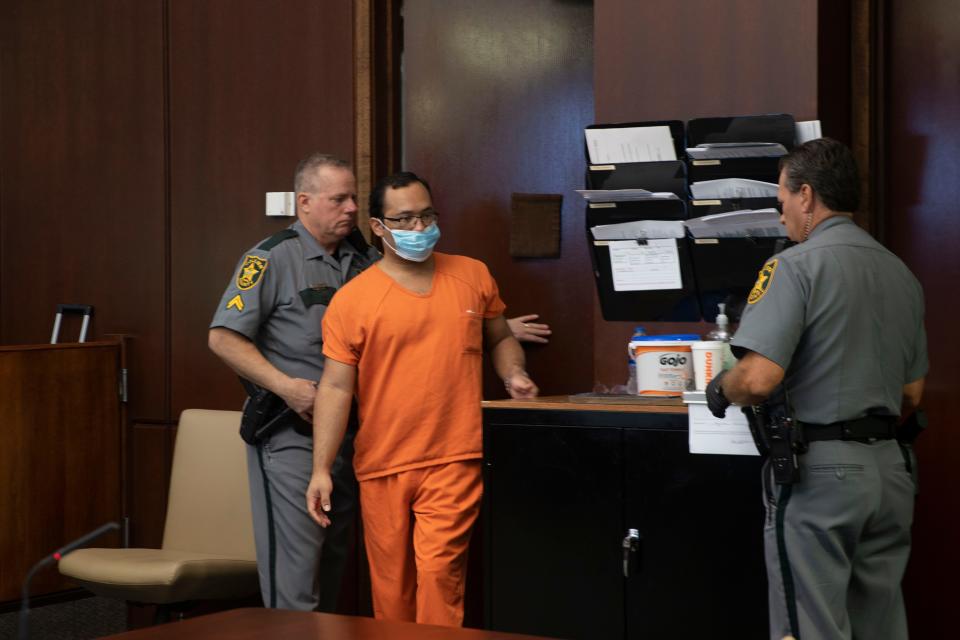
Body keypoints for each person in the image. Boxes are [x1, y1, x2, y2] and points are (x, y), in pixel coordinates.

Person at [209, 154, 550, 612]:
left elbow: (434, 311)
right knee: (297, 568)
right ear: (304, 202)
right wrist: (287, 388)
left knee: (341, 562)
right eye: (338, 199)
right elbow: (223, 338)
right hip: (291, 430)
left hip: (362, 432)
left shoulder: (367, 257)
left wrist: (497, 332)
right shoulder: (270, 258)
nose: (349, 208)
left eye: (354, 197)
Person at [705, 138, 927, 640]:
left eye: (782, 202)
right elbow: (912, 394)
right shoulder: (902, 274)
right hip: (890, 474)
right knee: (880, 624)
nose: (782, 216)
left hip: (821, 476)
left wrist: (722, 389)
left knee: (811, 628)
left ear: (806, 196)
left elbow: (758, 379)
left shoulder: (794, 267)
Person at [306, 171, 538, 627]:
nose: (419, 228)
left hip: (455, 453)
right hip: (383, 461)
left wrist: (515, 373)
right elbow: (335, 388)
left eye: (427, 215)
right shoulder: (352, 300)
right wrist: (320, 469)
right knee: (391, 590)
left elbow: (500, 337)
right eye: (405, 219)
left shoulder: (473, 275)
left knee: (439, 575)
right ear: (377, 227)